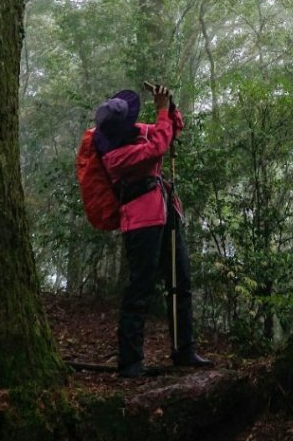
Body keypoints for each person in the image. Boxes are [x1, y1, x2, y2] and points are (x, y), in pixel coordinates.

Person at [93, 84, 213, 378]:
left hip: (166, 210)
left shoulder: (136, 132)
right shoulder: (113, 155)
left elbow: (171, 131)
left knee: (180, 280)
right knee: (140, 288)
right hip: (140, 220)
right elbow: (158, 146)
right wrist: (161, 112)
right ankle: (130, 361)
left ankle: (184, 350)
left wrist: (169, 107)